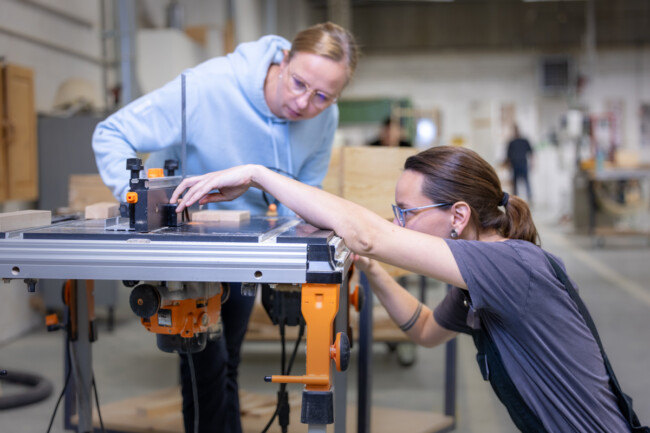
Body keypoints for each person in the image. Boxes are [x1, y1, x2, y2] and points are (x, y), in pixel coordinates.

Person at [170, 146, 636, 432]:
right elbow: (427, 330)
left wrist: (257, 174)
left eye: (406, 213)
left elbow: (371, 233)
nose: (399, 223)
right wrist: (372, 268)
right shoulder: (481, 279)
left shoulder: (510, 265)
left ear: (458, 216)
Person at [92, 22, 359, 433]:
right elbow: (111, 133)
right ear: (283, 60)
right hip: (191, 245)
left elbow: (306, 194)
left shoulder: (325, 118)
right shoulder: (207, 87)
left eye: (322, 96)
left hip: (253, 248)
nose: (304, 103)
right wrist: (144, 203)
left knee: (225, 363)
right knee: (207, 366)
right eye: (299, 83)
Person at [505, 123, 534, 203]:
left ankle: (530, 197)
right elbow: (508, 155)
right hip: (514, 165)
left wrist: (532, 163)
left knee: (526, 181)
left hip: (523, 163)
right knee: (515, 183)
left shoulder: (524, 141)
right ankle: (515, 200)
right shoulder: (511, 142)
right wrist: (508, 165)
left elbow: (531, 152)